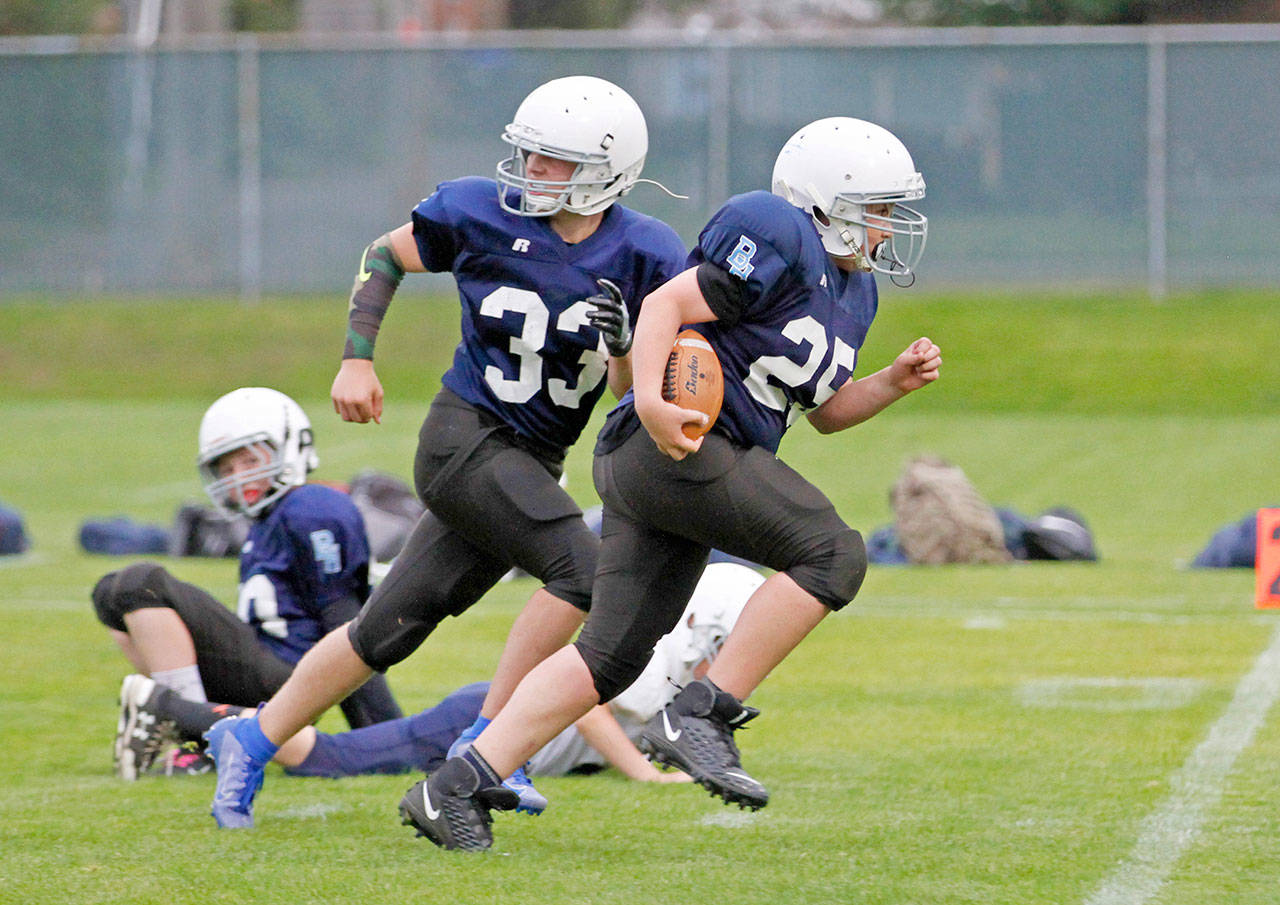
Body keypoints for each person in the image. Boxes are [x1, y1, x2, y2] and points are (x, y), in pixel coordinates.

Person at [398, 116, 942, 851]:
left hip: (681, 462)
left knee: (609, 657)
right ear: (829, 200)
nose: (887, 227)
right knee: (833, 552)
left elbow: (823, 412)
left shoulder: (858, 292)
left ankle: (454, 785)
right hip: (672, 446)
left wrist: (891, 382)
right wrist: (652, 399)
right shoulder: (775, 230)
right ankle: (704, 711)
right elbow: (666, 307)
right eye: (878, 209)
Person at [205, 75, 688, 829]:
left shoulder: (649, 252)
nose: (530, 171)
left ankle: (251, 736)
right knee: (584, 572)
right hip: (465, 438)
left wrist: (626, 342)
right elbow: (385, 253)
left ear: (605, 169)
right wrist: (357, 357)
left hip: (531, 461)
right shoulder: (478, 210)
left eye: (551, 161)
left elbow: (627, 391)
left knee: (385, 630)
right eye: (527, 154)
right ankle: (491, 745)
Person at [194, 563, 761, 786]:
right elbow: (589, 703)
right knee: (333, 759)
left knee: (340, 753)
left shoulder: (672, 661)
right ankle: (186, 716)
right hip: (475, 723)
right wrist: (642, 772)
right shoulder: (654, 660)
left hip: (501, 729)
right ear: (700, 630)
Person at [93, 387, 401, 779]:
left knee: (143, 582)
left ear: (290, 448)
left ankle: (197, 735)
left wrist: (382, 733)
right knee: (110, 592)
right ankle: (203, 723)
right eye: (226, 468)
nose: (239, 476)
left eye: (249, 460)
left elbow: (346, 623)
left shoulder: (313, 507)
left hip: (291, 674)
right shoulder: (267, 521)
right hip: (259, 669)